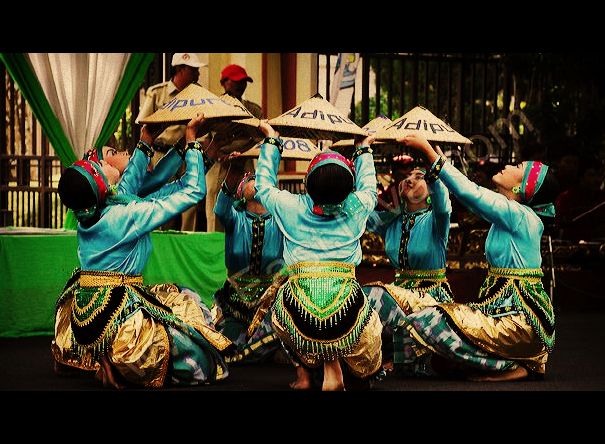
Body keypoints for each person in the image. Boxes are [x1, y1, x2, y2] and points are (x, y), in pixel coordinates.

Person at [51, 115, 233, 389]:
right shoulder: (124, 216)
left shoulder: (97, 212)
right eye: (102, 162)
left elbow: (136, 185)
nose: (105, 160)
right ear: (103, 182)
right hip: (119, 311)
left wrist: (149, 140)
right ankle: (120, 363)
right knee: (189, 317)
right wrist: (193, 142)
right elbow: (192, 191)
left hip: (91, 308)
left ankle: (107, 361)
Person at [392, 133, 559, 381]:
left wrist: (429, 153)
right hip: (497, 313)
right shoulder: (509, 215)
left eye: (518, 167)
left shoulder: (521, 216)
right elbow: (471, 192)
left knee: (428, 321)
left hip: (519, 324)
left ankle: (509, 366)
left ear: (522, 187)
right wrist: (435, 162)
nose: (509, 165)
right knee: (408, 328)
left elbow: (471, 193)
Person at [254, 121, 382, 391]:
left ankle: (326, 368)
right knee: (362, 318)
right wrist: (363, 148)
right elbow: (370, 187)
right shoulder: (357, 207)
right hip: (346, 306)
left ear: (306, 184)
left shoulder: (289, 206)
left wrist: (272, 141)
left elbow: (263, 186)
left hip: (296, 308)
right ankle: (336, 368)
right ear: (349, 189)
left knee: (280, 307)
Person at [363, 154, 453, 371]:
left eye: (419, 177)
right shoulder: (392, 220)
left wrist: (434, 172)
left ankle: (407, 359)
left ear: (430, 189)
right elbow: (361, 221)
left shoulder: (437, 220)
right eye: (408, 176)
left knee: (375, 295)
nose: (410, 179)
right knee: (363, 299)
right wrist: (390, 206)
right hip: (399, 293)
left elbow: (443, 204)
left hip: (431, 297)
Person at [210, 157, 285, 363]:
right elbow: (220, 209)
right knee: (227, 347)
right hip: (235, 304)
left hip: (270, 304)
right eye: (250, 178)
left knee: (282, 338)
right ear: (241, 192)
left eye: (261, 179)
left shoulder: (281, 220)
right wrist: (234, 170)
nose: (255, 179)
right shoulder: (234, 217)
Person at [136, 52, 205, 230]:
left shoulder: (198, 95)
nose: (198, 74)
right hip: (160, 155)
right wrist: (145, 160)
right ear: (180, 69)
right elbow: (143, 125)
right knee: (162, 201)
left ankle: (186, 241)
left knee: (190, 202)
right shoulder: (157, 93)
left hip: (186, 154)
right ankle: (163, 240)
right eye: (194, 70)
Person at [205, 64, 263, 233]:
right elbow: (201, 138)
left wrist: (242, 153)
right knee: (215, 207)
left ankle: (244, 244)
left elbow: (260, 139)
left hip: (244, 161)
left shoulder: (253, 110)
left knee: (247, 203)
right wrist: (217, 153)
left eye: (244, 81)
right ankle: (215, 246)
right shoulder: (210, 107)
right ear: (224, 82)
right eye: (236, 81)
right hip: (217, 163)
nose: (241, 84)